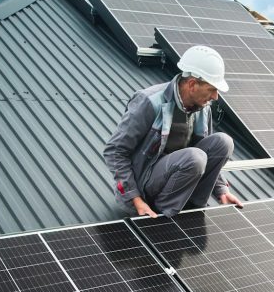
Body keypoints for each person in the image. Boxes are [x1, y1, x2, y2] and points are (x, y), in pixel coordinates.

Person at [104, 45, 242, 218]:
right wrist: (135, 199)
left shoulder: (203, 107)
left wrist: (221, 189)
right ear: (192, 84)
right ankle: (166, 216)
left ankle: (194, 205)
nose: (215, 97)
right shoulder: (149, 102)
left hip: (181, 173)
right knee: (195, 157)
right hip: (147, 182)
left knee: (223, 142)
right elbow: (115, 151)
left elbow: (210, 154)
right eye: (212, 89)